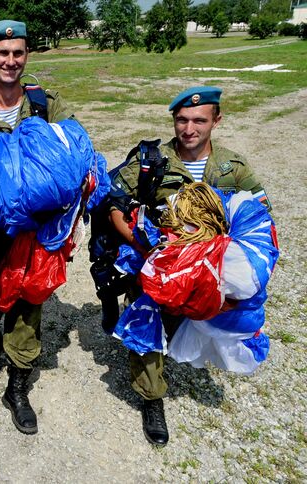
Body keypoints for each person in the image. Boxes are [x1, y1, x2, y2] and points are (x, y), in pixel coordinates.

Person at [99, 86, 270, 447]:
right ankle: (151, 398)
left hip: (212, 275)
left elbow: (259, 219)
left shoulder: (232, 168)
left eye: (199, 120)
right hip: (157, 266)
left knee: (202, 319)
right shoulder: (153, 161)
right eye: (182, 119)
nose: (189, 128)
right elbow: (113, 201)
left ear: (216, 121)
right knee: (145, 327)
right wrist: (138, 245)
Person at [0, 20, 73, 436]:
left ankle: (17, 389)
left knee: (28, 308)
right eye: (2, 53)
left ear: (26, 56)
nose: (11, 61)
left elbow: (75, 154)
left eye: (18, 53)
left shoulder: (46, 106)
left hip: (38, 234)